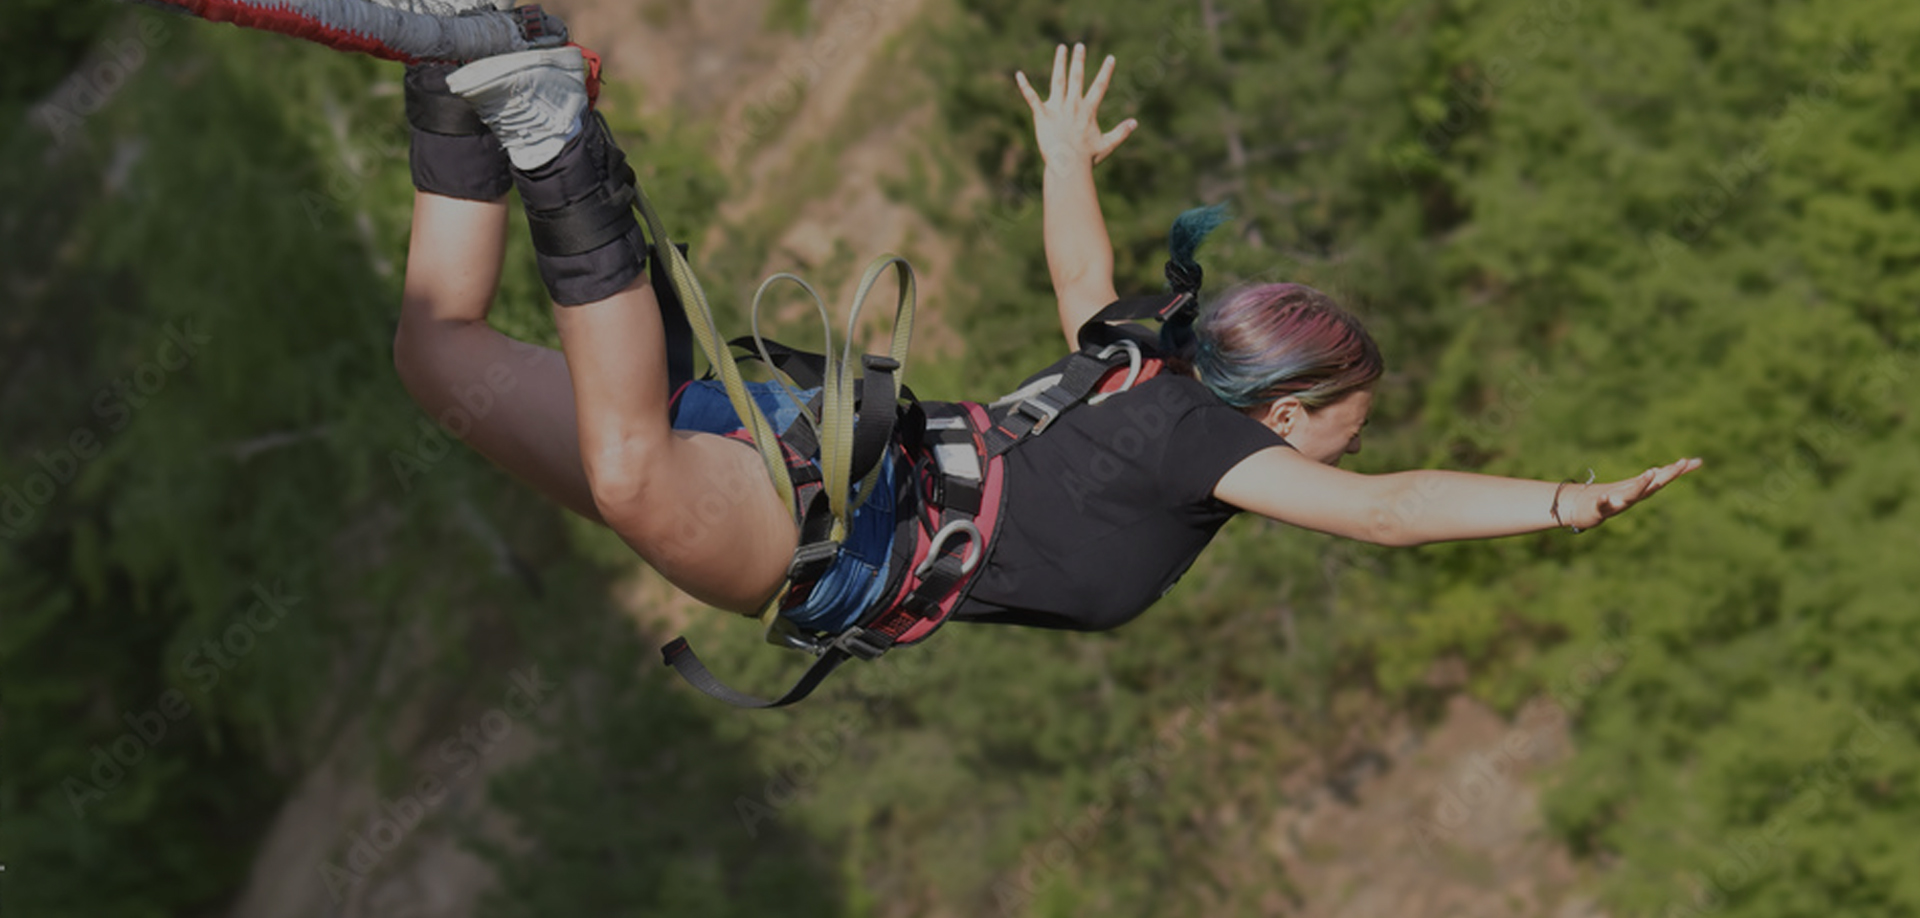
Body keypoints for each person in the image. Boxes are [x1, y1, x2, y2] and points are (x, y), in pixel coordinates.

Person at [391, 36, 1702, 677]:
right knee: (625, 473)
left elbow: (1085, 279)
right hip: (825, 525)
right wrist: (1564, 505)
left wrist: (1067, 162)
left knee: (435, 360)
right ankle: (550, 135)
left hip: (816, 440)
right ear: (1295, 409)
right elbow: (1388, 512)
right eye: (1358, 412)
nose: (1362, 435)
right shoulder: (1207, 439)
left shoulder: (1132, 364)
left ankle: (459, 83)